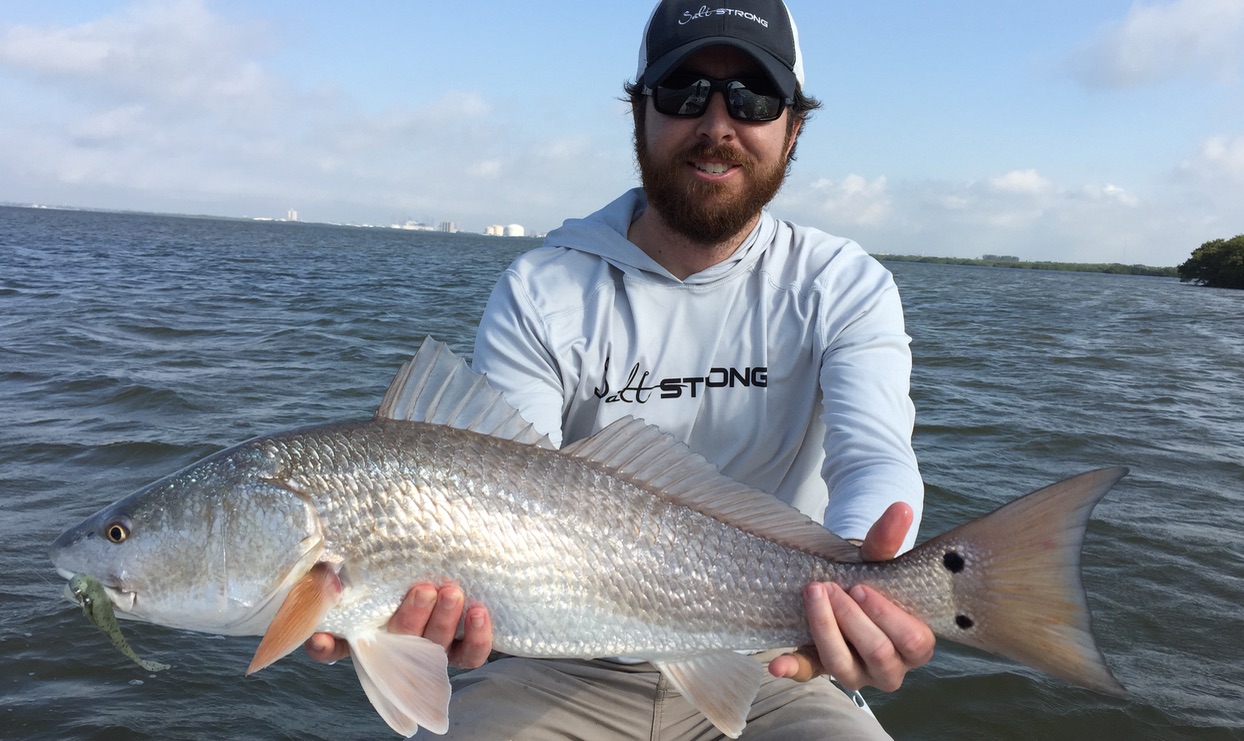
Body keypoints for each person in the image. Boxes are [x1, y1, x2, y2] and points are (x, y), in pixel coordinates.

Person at [307, 1, 934, 737]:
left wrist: (861, 599)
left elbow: (876, 456)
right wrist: (425, 605)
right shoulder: (543, 287)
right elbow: (501, 489)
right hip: (558, 657)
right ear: (639, 114)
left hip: (772, 657)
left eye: (754, 98)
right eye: (684, 91)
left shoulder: (844, 283)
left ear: (794, 127)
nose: (717, 123)